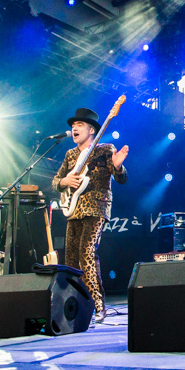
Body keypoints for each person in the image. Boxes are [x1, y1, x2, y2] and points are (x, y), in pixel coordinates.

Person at [52, 107, 129, 322]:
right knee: (71, 260)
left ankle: (98, 305)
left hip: (96, 208)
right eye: (73, 126)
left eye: (79, 125)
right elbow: (56, 181)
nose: (74, 129)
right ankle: (75, 304)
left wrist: (118, 167)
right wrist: (64, 181)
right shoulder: (70, 154)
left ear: (92, 130)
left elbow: (121, 179)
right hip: (74, 209)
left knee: (86, 252)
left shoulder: (105, 149)